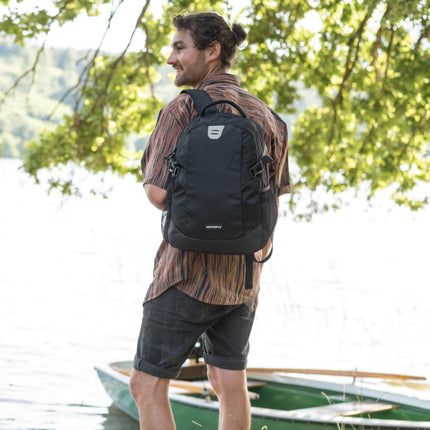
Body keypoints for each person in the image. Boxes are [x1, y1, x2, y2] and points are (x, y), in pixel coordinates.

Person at [129, 12, 290, 430]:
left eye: (180, 47)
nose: (171, 58)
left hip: (185, 276)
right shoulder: (267, 116)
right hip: (243, 279)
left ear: (213, 50)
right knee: (228, 382)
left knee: (146, 386)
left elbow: (158, 193)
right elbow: (272, 201)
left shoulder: (183, 109)